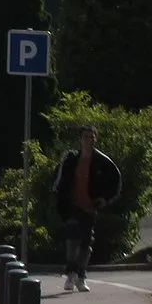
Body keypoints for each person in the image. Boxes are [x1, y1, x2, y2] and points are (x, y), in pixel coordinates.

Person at [51, 125, 121, 292]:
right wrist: (58, 194)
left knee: (85, 243)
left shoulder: (102, 161)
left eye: (91, 137)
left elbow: (116, 180)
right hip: (73, 204)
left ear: (95, 139)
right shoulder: (71, 159)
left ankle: (80, 275)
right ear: (80, 139)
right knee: (73, 235)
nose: (89, 140)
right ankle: (70, 274)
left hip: (90, 206)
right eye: (85, 137)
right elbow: (58, 178)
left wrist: (106, 199)